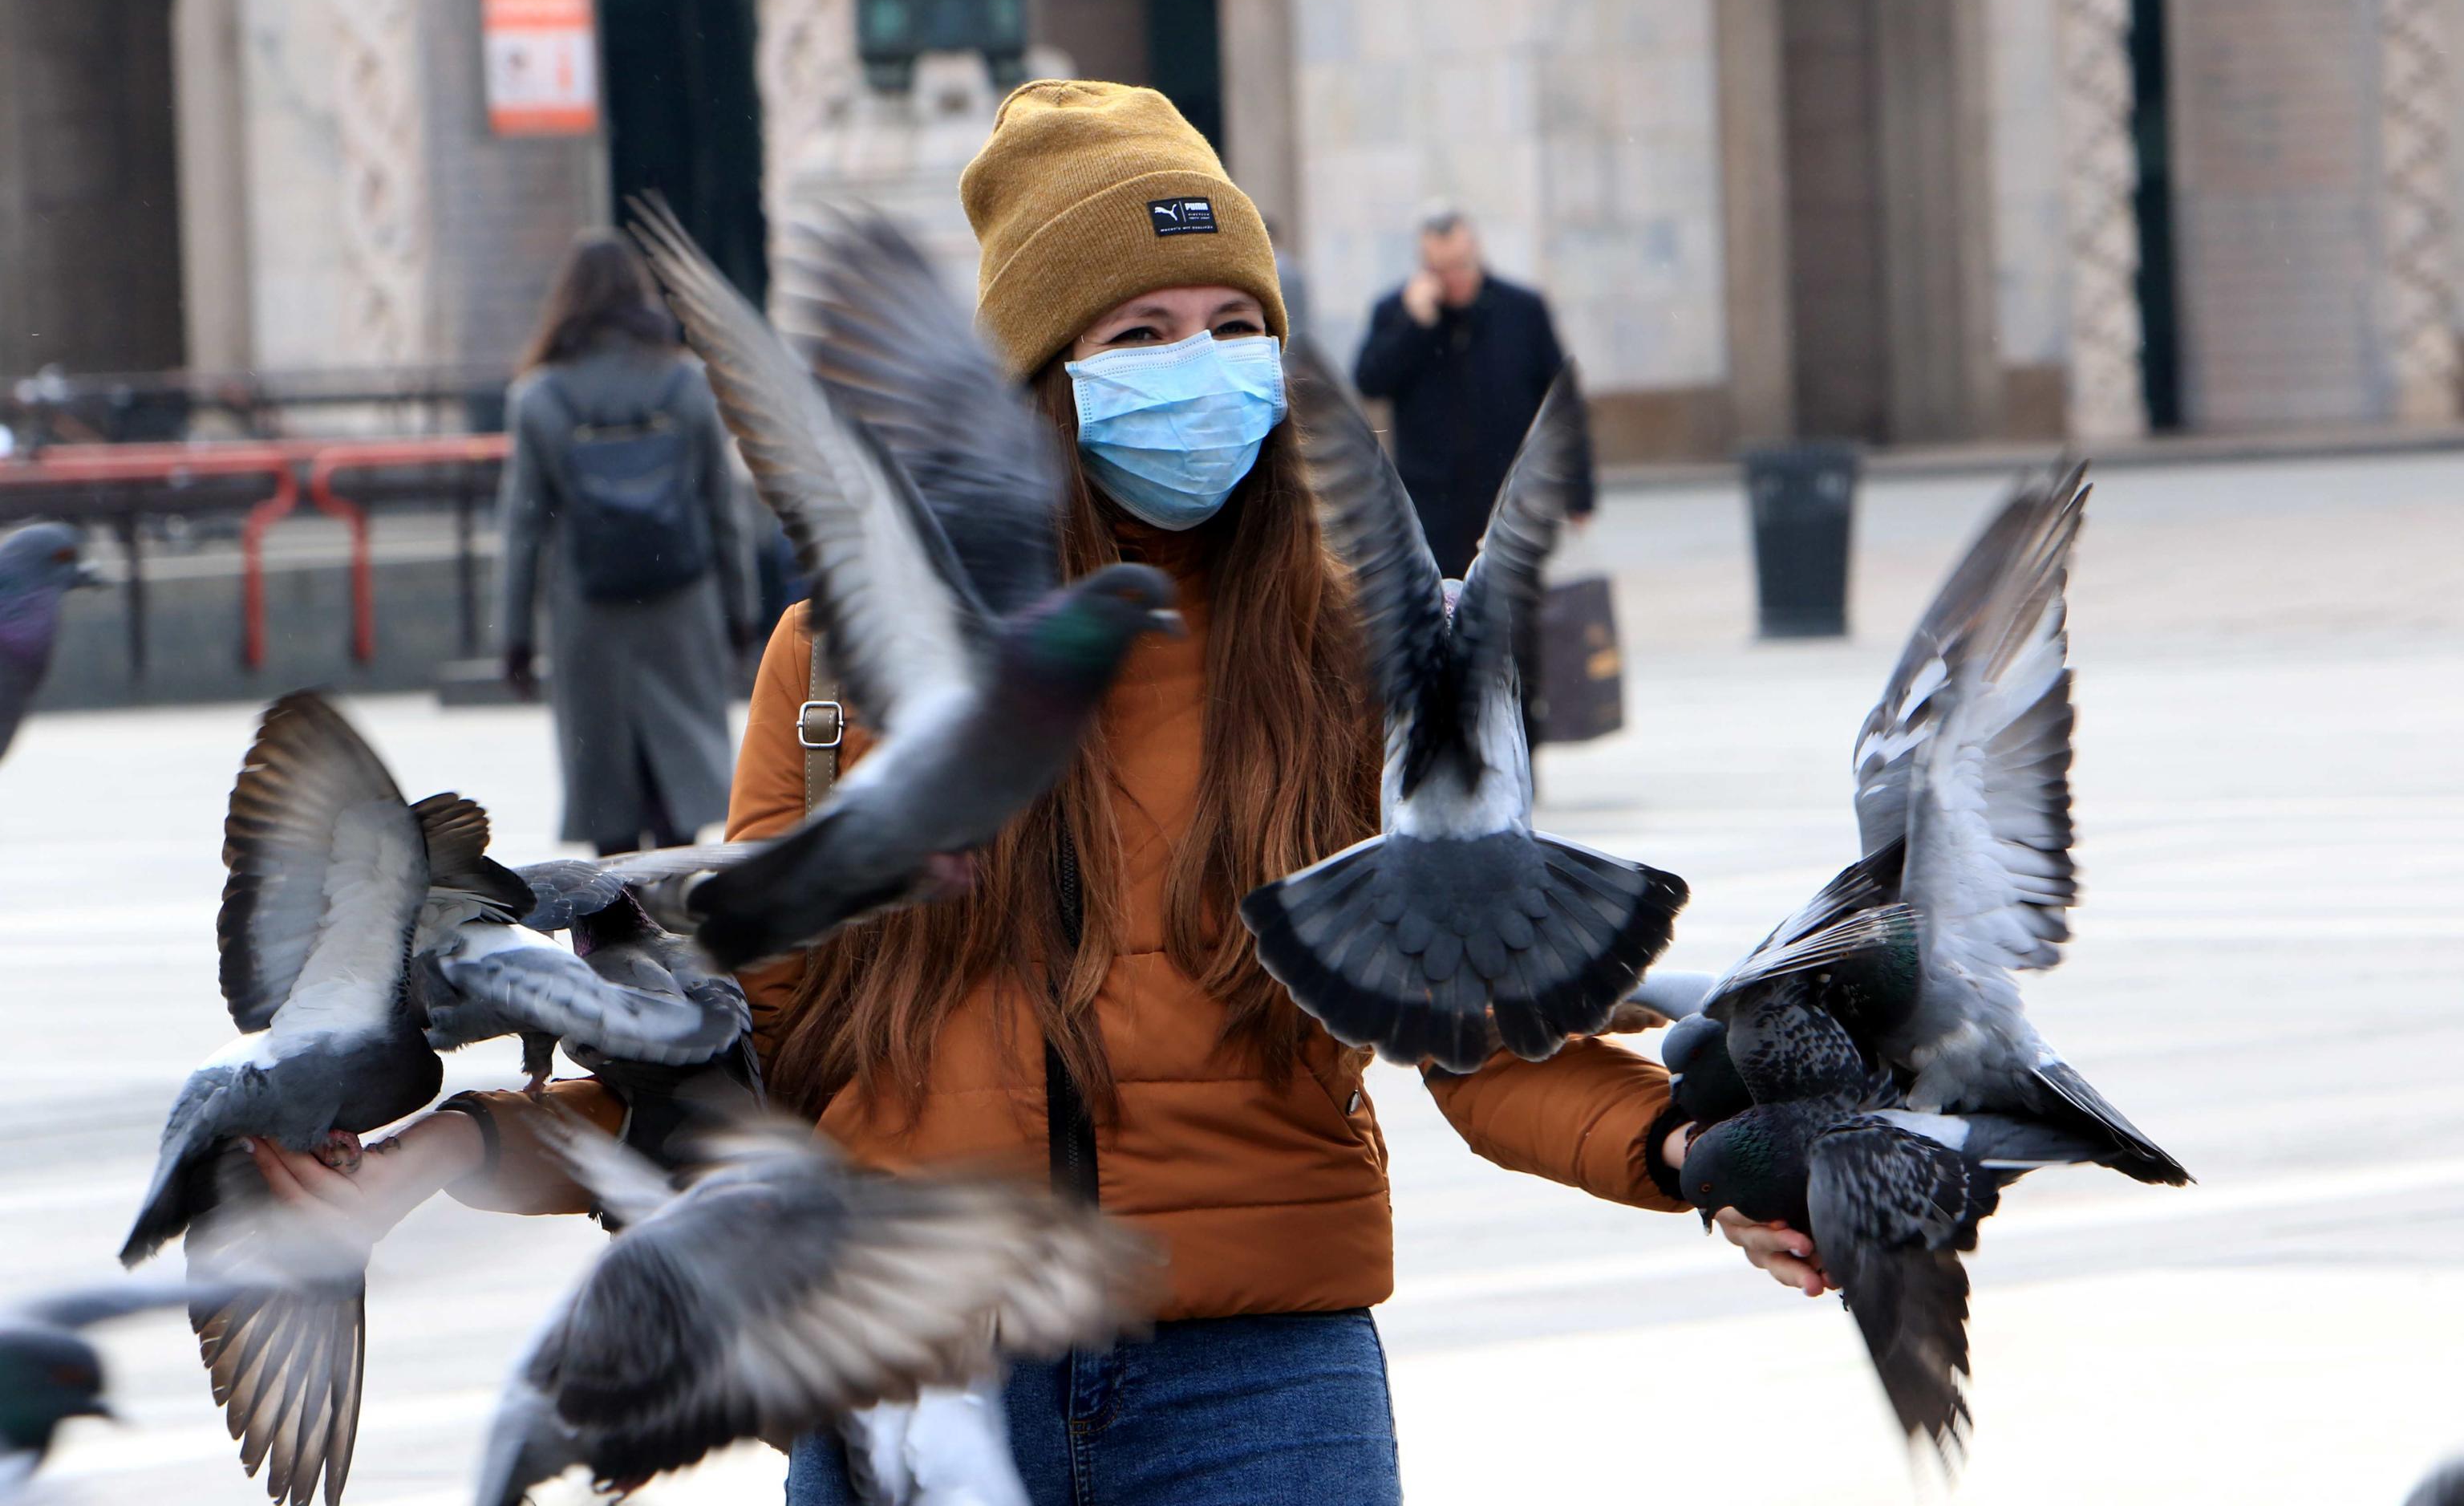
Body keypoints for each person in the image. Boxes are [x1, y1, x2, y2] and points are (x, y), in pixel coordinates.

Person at [239, 83, 1826, 1506]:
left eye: (1231, 320)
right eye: (1137, 336)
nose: (1198, 365)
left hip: (1258, 1389)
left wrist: (1691, 1155)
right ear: (1038, 385)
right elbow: (738, 1058)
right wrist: (439, 1154)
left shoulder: (1347, 649)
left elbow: (1483, 1030)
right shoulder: (837, 665)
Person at [496, 231, 752, 856]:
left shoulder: (541, 398)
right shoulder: (687, 384)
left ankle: (612, 922)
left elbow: (523, 527)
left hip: (588, 608)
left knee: (604, 769)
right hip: (681, 601)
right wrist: (742, 612)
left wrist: (516, 638)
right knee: (682, 758)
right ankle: (671, 894)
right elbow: (724, 507)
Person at [1353, 205, 1596, 578]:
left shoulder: (1522, 310)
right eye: (1440, 269)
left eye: (1461, 265)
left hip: (1512, 496)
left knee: (1517, 615)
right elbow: (1369, 381)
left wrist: (1579, 491)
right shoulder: (1397, 312)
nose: (1453, 279)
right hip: (1433, 502)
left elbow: (1562, 401)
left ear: (1477, 253)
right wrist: (1414, 325)